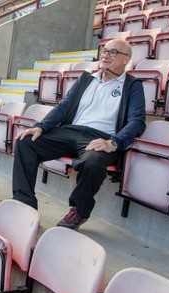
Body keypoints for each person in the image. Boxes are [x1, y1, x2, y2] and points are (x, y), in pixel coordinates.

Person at [12, 39, 146, 230]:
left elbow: (137, 122)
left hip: (102, 138)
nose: (106, 55)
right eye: (104, 51)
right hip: (70, 132)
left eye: (113, 52)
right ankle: (24, 204)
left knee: (92, 161)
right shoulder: (86, 79)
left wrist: (114, 143)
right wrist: (41, 127)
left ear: (127, 59)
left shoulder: (132, 86)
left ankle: (79, 210)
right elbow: (64, 107)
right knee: (26, 141)